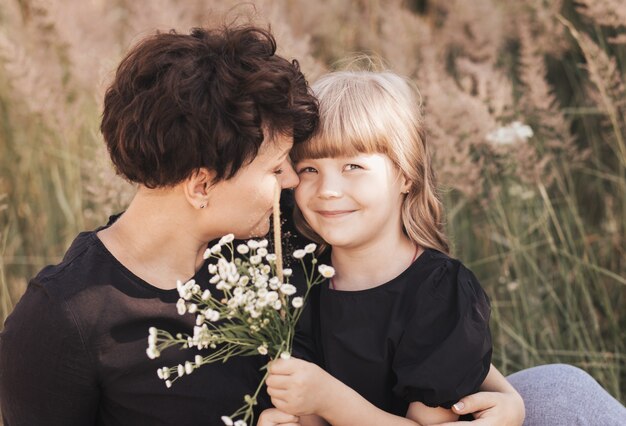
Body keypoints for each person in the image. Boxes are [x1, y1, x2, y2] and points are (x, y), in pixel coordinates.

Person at [265, 70, 626, 426]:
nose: (327, 189)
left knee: (564, 388)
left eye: (353, 166)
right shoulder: (298, 281)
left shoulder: (440, 292)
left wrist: (328, 398)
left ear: (406, 175)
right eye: (309, 168)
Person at [0, 24, 319, 426]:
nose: (292, 181)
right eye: (276, 168)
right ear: (201, 185)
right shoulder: (63, 319)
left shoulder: (279, 240)